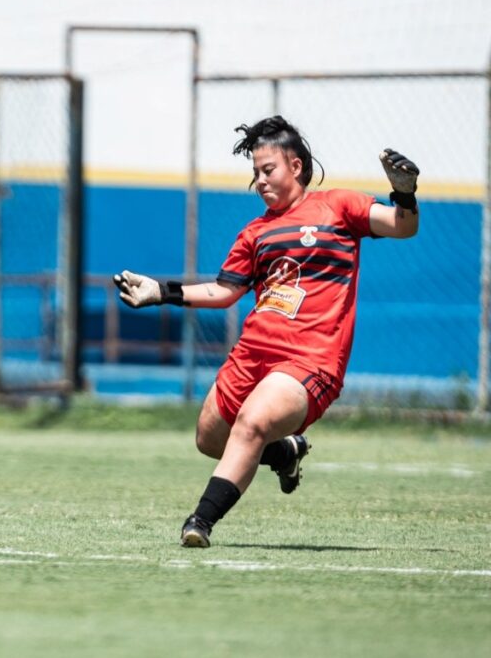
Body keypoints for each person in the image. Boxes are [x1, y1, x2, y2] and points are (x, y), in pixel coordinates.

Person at [114, 115, 420, 547]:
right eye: (255, 172)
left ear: (295, 167)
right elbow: (223, 291)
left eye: (268, 170)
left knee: (253, 422)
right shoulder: (255, 233)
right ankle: (285, 451)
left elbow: (404, 226)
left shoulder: (339, 206)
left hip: (309, 361)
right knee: (209, 438)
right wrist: (160, 291)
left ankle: (199, 522)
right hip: (251, 355)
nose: (259, 181)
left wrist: (403, 192)